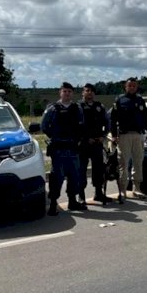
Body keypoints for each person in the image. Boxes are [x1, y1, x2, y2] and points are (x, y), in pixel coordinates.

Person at [41, 82, 86, 215]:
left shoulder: (77, 109)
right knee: (57, 177)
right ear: (60, 93)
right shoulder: (52, 108)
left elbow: (81, 126)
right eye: (64, 91)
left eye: (69, 92)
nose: (67, 94)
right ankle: (53, 204)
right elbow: (44, 126)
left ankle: (72, 201)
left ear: (72, 94)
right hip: (58, 149)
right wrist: (54, 137)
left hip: (73, 148)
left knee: (74, 176)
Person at [109, 77, 147, 203]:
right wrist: (114, 135)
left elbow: (146, 117)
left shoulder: (140, 100)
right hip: (124, 135)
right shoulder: (119, 100)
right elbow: (113, 119)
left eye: (134, 85)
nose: (132, 87)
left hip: (138, 135)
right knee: (123, 163)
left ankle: (137, 188)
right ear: (125, 87)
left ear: (137, 87)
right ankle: (122, 190)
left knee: (138, 162)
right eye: (129, 86)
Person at [78, 83, 110, 205]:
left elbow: (107, 122)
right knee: (82, 170)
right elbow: (75, 126)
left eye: (91, 91)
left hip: (97, 143)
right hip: (84, 144)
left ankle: (98, 193)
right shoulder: (78, 107)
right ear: (83, 92)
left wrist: (103, 135)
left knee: (98, 169)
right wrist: (85, 138)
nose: (89, 93)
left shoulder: (99, 107)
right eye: (87, 90)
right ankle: (81, 195)